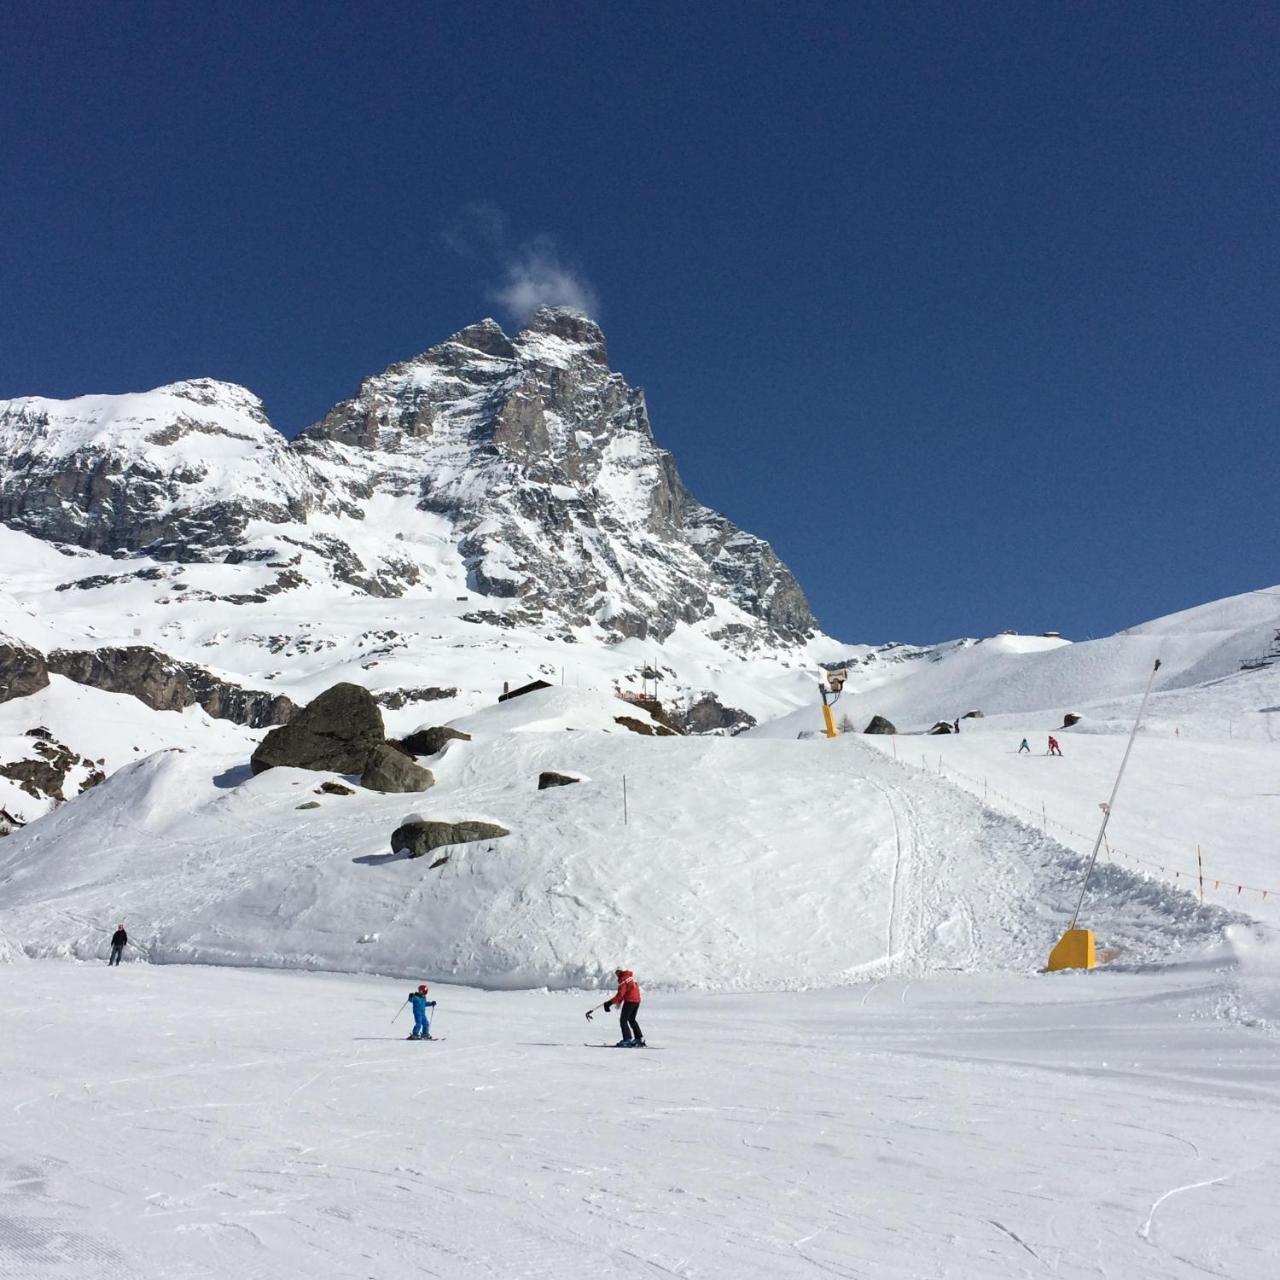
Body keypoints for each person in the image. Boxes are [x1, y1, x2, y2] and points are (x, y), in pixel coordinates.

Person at [604, 968, 644, 1047]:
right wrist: (619, 1001)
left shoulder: (623, 979)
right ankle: (638, 1038)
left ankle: (627, 1039)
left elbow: (620, 994)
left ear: (620, 971)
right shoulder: (630, 977)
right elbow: (627, 992)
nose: (616, 975)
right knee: (632, 1019)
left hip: (630, 1001)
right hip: (637, 1001)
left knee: (623, 1020)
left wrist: (609, 1003)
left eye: (616, 972)